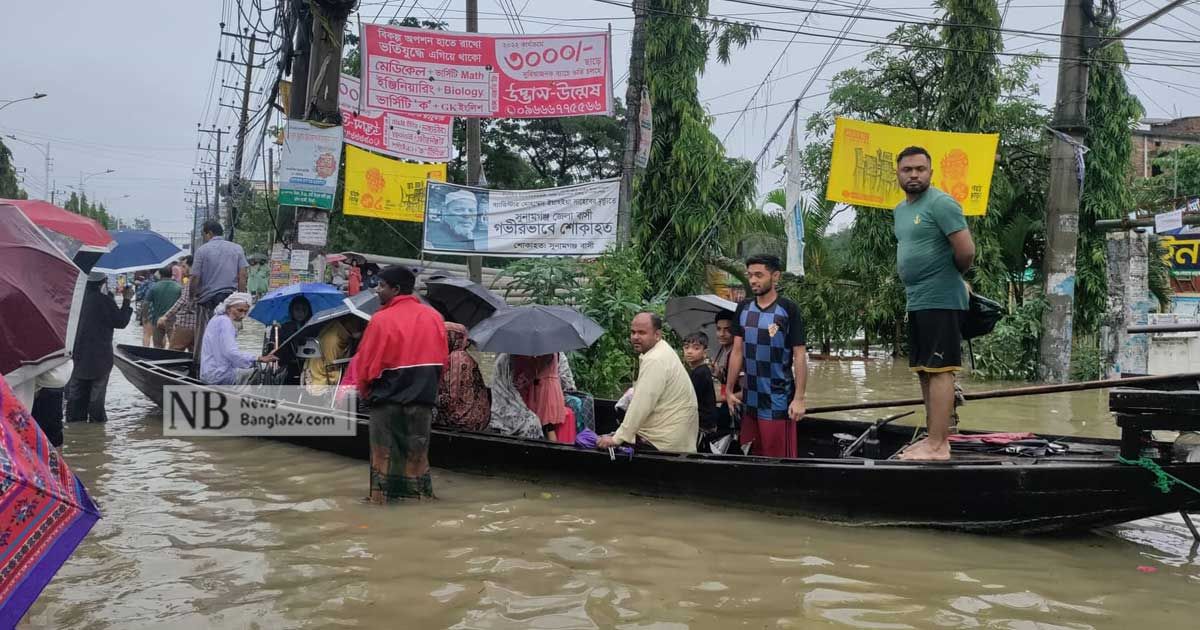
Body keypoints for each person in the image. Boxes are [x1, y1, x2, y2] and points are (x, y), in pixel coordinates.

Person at [892, 146, 976, 461]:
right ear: (898, 173)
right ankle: (933, 438)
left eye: (920, 169)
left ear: (930, 172)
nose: (913, 174)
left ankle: (939, 445)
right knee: (925, 370)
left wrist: (948, 276)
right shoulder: (900, 210)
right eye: (907, 169)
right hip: (917, 299)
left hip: (941, 297)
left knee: (941, 370)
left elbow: (966, 251)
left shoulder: (941, 203)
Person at [351, 265, 448, 503]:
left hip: (387, 400)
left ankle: (379, 502)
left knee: (382, 455)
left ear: (396, 289)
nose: (377, 291)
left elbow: (365, 365)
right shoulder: (434, 317)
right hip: (422, 401)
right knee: (418, 455)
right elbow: (443, 362)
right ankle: (421, 500)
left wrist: (365, 392)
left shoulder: (380, 320)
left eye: (382, 286)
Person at [725, 254, 808, 459]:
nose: (753, 280)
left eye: (759, 275)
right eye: (750, 275)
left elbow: (799, 356)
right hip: (749, 399)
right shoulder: (743, 308)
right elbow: (737, 351)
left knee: (778, 459)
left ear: (775, 276)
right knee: (750, 453)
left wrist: (798, 399)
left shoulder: (788, 309)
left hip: (778, 398)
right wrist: (728, 390)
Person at [598, 313, 698, 452]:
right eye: (633, 332)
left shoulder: (655, 359)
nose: (635, 337)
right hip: (676, 438)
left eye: (642, 333)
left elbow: (641, 404)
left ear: (657, 335)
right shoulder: (661, 350)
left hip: (663, 442)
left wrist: (617, 438)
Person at [66, 272, 134, 424]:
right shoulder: (105, 301)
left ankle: (76, 432)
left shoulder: (73, 300)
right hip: (100, 357)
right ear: (102, 283)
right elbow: (121, 321)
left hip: (77, 355)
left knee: (76, 397)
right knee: (96, 400)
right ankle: (96, 432)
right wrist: (127, 300)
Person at [190, 220, 249, 372]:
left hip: (207, 301)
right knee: (229, 336)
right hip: (230, 301)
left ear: (208, 233)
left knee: (205, 336)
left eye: (204, 234)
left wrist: (192, 297)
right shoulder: (237, 248)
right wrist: (241, 298)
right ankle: (227, 367)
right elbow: (243, 275)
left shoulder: (202, 250)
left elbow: (195, 277)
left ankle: (198, 368)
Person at [489, 353, 577, 440]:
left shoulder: (537, 356)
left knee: (548, 426)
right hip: (554, 391)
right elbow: (565, 377)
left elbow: (525, 378)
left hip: (542, 392)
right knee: (549, 426)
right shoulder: (557, 353)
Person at [199, 293, 276, 385]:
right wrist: (258, 358)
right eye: (240, 310)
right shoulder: (226, 322)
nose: (243, 315)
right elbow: (231, 353)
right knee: (260, 372)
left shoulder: (216, 318)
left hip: (208, 372)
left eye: (245, 312)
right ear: (228, 308)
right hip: (219, 376)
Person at [434, 322, 490, 432]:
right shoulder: (465, 356)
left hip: (464, 420)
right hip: (480, 417)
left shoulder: (456, 358)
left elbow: (451, 398)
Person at [303, 317, 365, 395]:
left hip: (320, 368)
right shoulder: (333, 339)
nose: (361, 325)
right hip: (321, 376)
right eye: (358, 323)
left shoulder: (336, 326)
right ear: (348, 322)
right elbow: (330, 365)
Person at [682, 332, 719, 438]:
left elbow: (688, 398)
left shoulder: (700, 373)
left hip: (702, 425)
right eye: (686, 347)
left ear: (705, 352)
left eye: (696, 348)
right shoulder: (699, 370)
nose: (689, 351)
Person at [159, 256, 197, 351]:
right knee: (194, 354)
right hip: (198, 325)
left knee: (174, 352)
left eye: (184, 267)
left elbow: (183, 300)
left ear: (191, 266)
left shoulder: (191, 281)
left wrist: (166, 316)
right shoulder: (201, 280)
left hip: (185, 324)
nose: (182, 270)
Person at [147, 266, 182, 349]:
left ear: (160, 274)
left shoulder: (154, 287)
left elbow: (146, 303)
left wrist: (145, 318)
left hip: (157, 320)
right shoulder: (179, 287)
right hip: (173, 321)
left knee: (157, 346)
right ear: (171, 274)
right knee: (174, 347)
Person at [135, 272, 156, 346]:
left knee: (146, 333)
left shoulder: (146, 283)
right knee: (160, 334)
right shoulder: (165, 283)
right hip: (161, 311)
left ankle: (146, 352)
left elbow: (139, 295)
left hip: (147, 310)